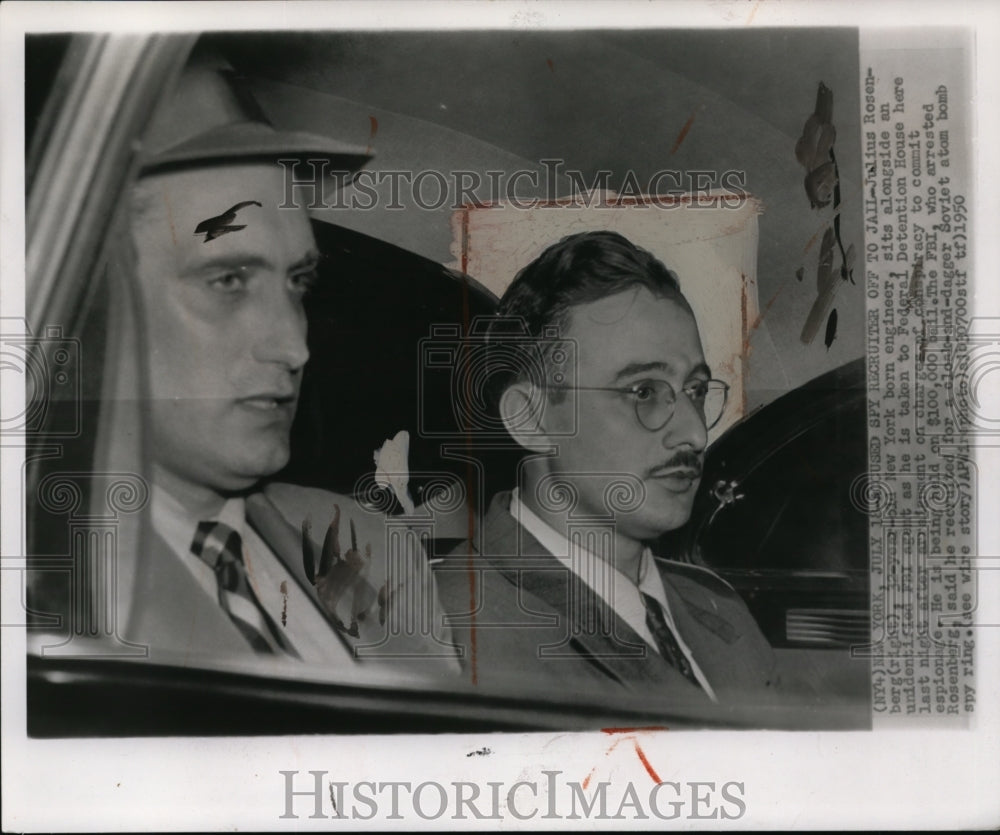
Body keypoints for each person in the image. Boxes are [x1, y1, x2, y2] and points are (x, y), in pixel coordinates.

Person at [117, 59, 451, 671]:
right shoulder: (42, 576)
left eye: (298, 282)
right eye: (229, 280)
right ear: (100, 304)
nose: (295, 347)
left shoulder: (373, 548)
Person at [433, 231, 781, 706]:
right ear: (531, 419)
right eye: (643, 392)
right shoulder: (449, 630)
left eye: (695, 391)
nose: (696, 435)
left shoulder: (715, 605)